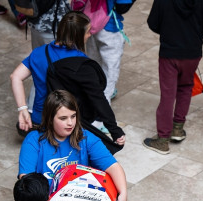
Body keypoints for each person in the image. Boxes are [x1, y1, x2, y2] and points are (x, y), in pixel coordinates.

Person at [10, 11, 126, 152]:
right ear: (78, 35)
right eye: (88, 31)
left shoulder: (39, 53)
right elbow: (97, 98)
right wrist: (115, 130)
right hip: (65, 124)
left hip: (40, 118)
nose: (90, 34)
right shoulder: (80, 63)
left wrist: (23, 109)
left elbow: (15, 76)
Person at [18, 89, 128, 201]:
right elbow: (26, 181)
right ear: (50, 119)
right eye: (63, 118)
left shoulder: (86, 138)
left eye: (73, 116)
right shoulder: (33, 140)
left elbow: (113, 166)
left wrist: (123, 192)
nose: (70, 123)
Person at [144, 0, 203, 154]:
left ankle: (162, 140)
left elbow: (153, 23)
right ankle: (177, 128)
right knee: (186, 88)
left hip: (169, 53)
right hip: (193, 53)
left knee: (168, 95)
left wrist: (169, 32)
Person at [87, 0, 132, 103]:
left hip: (88, 23)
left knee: (92, 64)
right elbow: (122, 6)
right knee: (110, 71)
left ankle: (91, 98)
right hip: (109, 26)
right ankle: (102, 108)